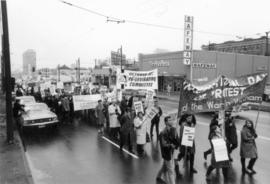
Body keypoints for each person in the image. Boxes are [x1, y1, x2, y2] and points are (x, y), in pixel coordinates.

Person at [156, 116, 178, 184]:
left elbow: (176, 139)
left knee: (164, 166)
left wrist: (176, 144)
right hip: (166, 153)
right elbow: (163, 144)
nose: (171, 121)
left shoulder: (174, 129)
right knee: (171, 170)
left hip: (172, 152)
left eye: (172, 120)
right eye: (169, 120)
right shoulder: (163, 132)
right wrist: (171, 145)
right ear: (166, 122)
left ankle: (158, 176)